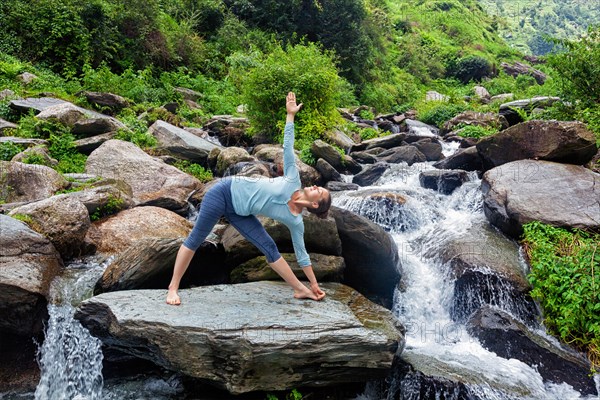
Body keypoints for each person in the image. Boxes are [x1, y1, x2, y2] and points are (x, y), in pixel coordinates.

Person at [166, 92, 332, 305]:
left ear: (315, 204)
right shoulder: (293, 179)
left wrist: (314, 284)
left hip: (240, 213)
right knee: (197, 238)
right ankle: (173, 287)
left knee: (270, 248)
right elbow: (288, 146)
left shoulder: (296, 222)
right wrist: (290, 116)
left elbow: (302, 255)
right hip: (224, 192)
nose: (316, 185)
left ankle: (301, 290)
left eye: (319, 190)